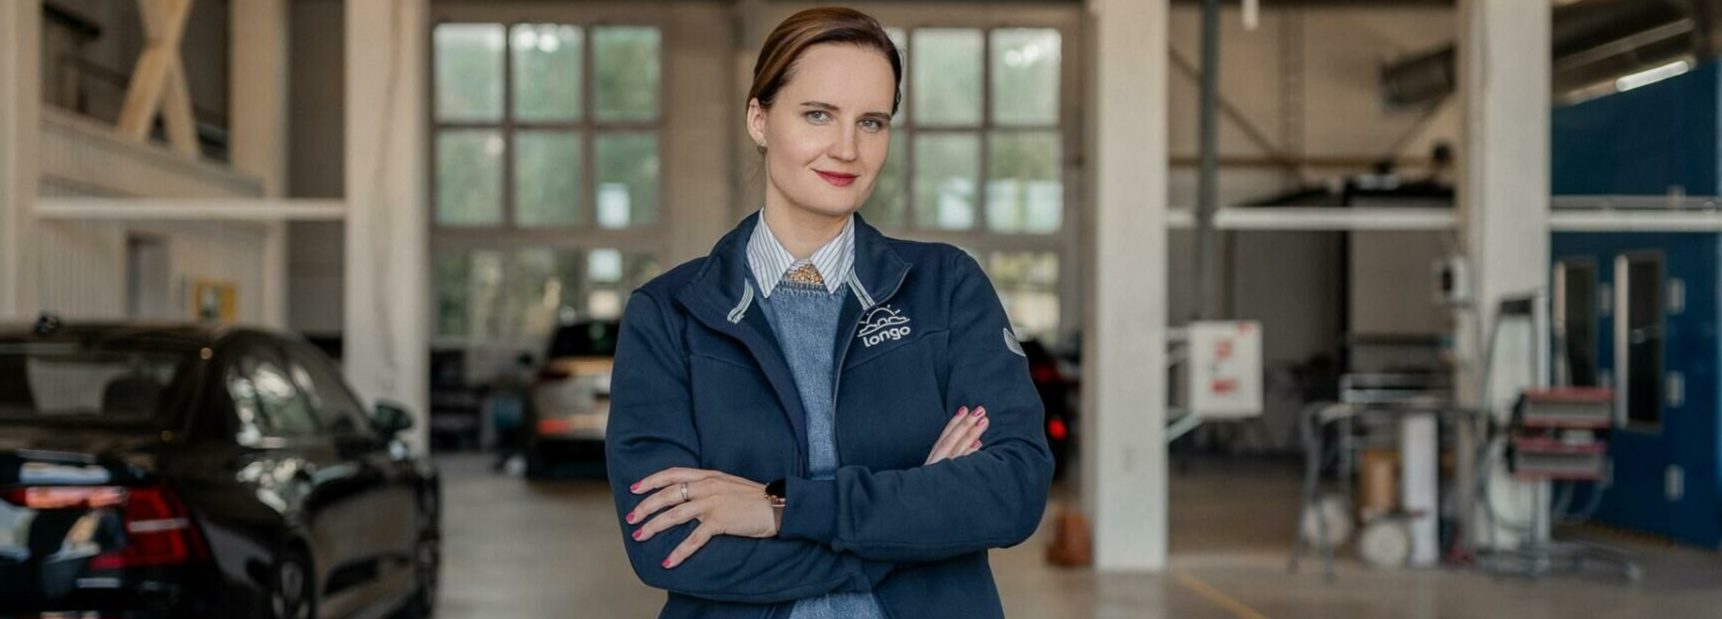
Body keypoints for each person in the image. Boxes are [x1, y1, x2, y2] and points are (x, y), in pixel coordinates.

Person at [605, 7, 1053, 619]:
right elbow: (667, 546)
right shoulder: (670, 315)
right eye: (818, 114)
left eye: (871, 122)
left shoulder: (946, 288)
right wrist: (914, 522)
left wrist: (782, 510)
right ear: (759, 120)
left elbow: (1013, 491)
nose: (847, 149)